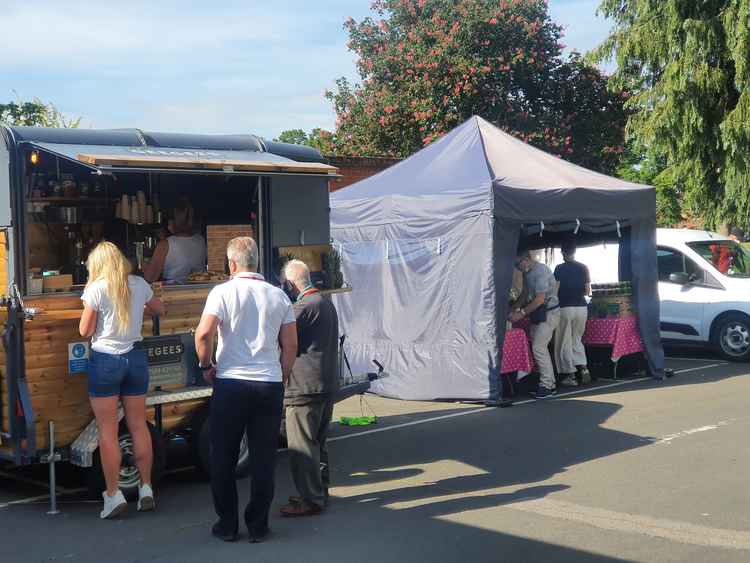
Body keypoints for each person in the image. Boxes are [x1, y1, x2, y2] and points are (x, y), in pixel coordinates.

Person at [194, 237, 298, 543]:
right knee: (264, 457)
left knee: (223, 456)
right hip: (268, 383)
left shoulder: (221, 292)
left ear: (231, 264)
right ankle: (258, 525)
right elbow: (291, 344)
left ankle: (227, 524)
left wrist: (205, 366)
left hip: (231, 382)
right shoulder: (279, 296)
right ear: (257, 263)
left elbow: (203, 335)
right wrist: (283, 372)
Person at [78, 241, 165, 519]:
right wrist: (142, 309)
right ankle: (147, 488)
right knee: (138, 425)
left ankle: (113, 495)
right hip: (135, 358)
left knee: (108, 430)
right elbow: (159, 309)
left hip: (105, 360)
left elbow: (85, 330)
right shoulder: (138, 284)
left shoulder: (97, 288)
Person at [278, 260, 339, 517]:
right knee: (318, 443)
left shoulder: (302, 307)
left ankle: (310, 499)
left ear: (291, 284)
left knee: (302, 447)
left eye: (284, 285)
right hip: (325, 383)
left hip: (304, 387)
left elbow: (281, 337)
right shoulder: (324, 302)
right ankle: (319, 491)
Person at [510, 250, 560, 399]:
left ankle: (548, 386)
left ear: (527, 258)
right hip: (537, 315)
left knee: (539, 347)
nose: (518, 267)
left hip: (549, 313)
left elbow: (539, 300)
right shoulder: (527, 272)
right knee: (536, 347)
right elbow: (525, 293)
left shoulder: (541, 271)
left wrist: (521, 313)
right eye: (516, 265)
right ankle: (543, 382)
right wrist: (512, 308)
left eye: (519, 263)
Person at [553, 241, 592, 387]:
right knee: (577, 339)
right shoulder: (583, 267)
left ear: (563, 253)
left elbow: (555, 290)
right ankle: (584, 368)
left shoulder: (559, 268)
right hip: (582, 307)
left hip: (565, 308)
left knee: (564, 341)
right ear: (574, 252)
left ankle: (571, 375)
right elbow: (588, 291)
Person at [144, 197, 206, 283]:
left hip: (173, 292)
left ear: (172, 221)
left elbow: (150, 277)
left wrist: (144, 265)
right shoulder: (201, 240)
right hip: (198, 290)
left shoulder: (165, 245)